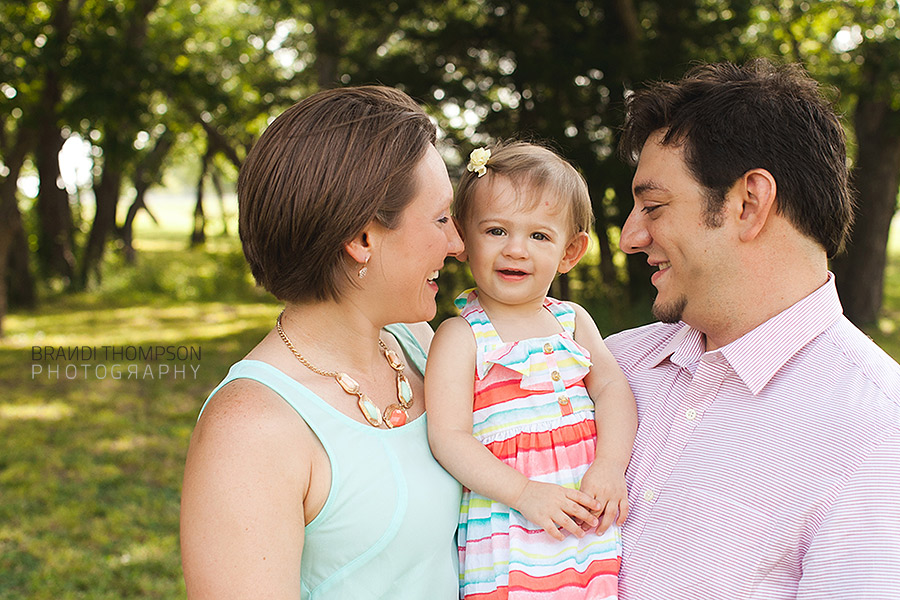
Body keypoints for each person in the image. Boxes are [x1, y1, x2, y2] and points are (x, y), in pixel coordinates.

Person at [607, 58, 900, 599]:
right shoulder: (608, 366)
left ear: (749, 202)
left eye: (654, 206)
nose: (629, 237)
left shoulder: (878, 432)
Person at [180, 85, 466, 599]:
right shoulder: (249, 430)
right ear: (362, 239)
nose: (458, 244)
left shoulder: (421, 345)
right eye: (442, 218)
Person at [426, 141, 638, 599]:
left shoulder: (572, 321)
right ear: (464, 239)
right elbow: (448, 437)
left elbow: (613, 390)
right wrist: (524, 493)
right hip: (511, 528)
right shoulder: (461, 337)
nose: (516, 250)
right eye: (497, 230)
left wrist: (610, 465)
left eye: (540, 236)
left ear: (570, 251)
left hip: (584, 517)